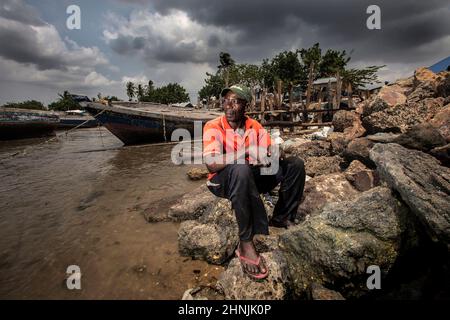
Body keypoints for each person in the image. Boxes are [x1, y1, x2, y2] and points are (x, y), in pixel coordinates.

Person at [202, 84, 306, 280]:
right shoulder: (213, 126)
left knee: (294, 164)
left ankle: (282, 216)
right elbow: (211, 165)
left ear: (245, 106)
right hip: (222, 181)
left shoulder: (253, 125)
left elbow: (274, 150)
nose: (229, 106)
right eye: (226, 100)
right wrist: (247, 151)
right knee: (241, 167)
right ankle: (245, 241)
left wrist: (272, 153)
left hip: (247, 178)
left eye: (236, 101)